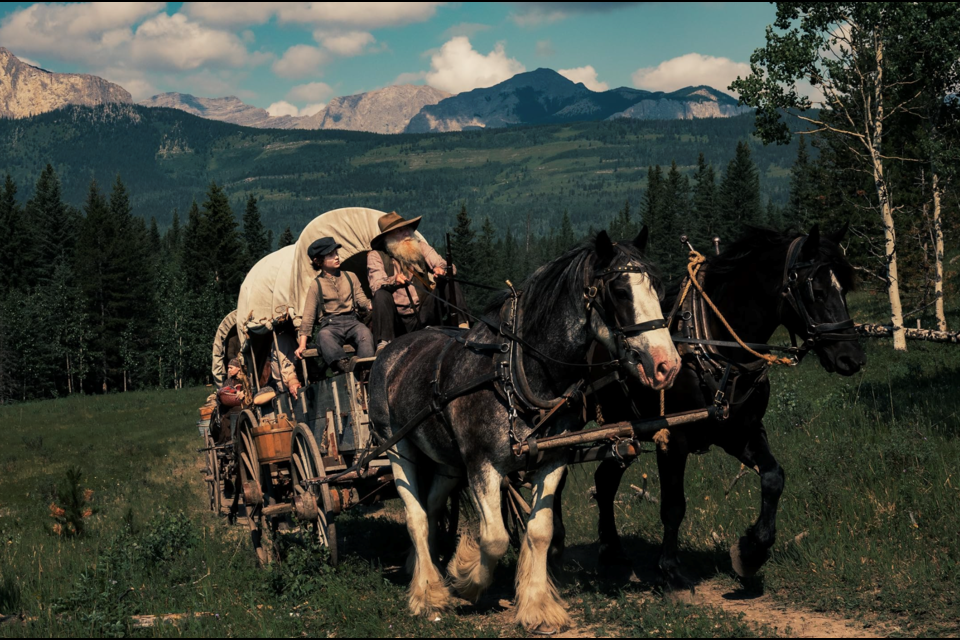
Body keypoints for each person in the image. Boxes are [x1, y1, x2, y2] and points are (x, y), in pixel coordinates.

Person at [367, 211, 468, 350]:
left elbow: (445, 264)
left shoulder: (420, 247)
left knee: (449, 279)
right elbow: (376, 283)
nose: (406, 233)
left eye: (406, 229)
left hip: (425, 310)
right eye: (399, 231)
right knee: (380, 294)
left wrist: (441, 269)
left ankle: (463, 325)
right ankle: (384, 343)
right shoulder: (376, 256)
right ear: (388, 238)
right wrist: (393, 280)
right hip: (398, 318)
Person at [295, 236, 374, 373]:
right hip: (331, 325)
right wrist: (302, 345)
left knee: (365, 333)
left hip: (352, 321)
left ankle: (364, 368)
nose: (336, 257)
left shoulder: (350, 276)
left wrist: (370, 305)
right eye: (330, 255)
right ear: (318, 261)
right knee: (324, 336)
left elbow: (361, 299)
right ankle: (343, 365)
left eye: (336, 253)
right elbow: (308, 316)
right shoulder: (316, 285)